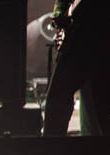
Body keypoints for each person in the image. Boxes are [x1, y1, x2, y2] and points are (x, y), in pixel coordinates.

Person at [42, 0, 110, 136]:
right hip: (79, 37)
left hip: (97, 38)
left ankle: (49, 151)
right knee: (57, 100)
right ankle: (50, 151)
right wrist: (60, 13)